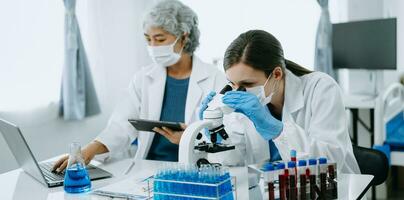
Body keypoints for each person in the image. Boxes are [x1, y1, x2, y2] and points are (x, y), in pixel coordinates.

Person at [53, 0, 227, 172]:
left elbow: (226, 138)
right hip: (147, 169)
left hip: (195, 169)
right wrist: (88, 150)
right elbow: (120, 126)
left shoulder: (214, 79)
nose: (152, 46)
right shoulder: (144, 78)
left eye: (159, 39)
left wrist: (190, 138)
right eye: (148, 39)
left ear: (184, 36)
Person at [201, 30, 360, 174]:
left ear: (276, 74)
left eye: (248, 84)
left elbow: (331, 161)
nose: (238, 92)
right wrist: (219, 138)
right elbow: (236, 166)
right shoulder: (241, 106)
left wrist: (277, 130)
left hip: (330, 190)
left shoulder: (321, 88)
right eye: (232, 84)